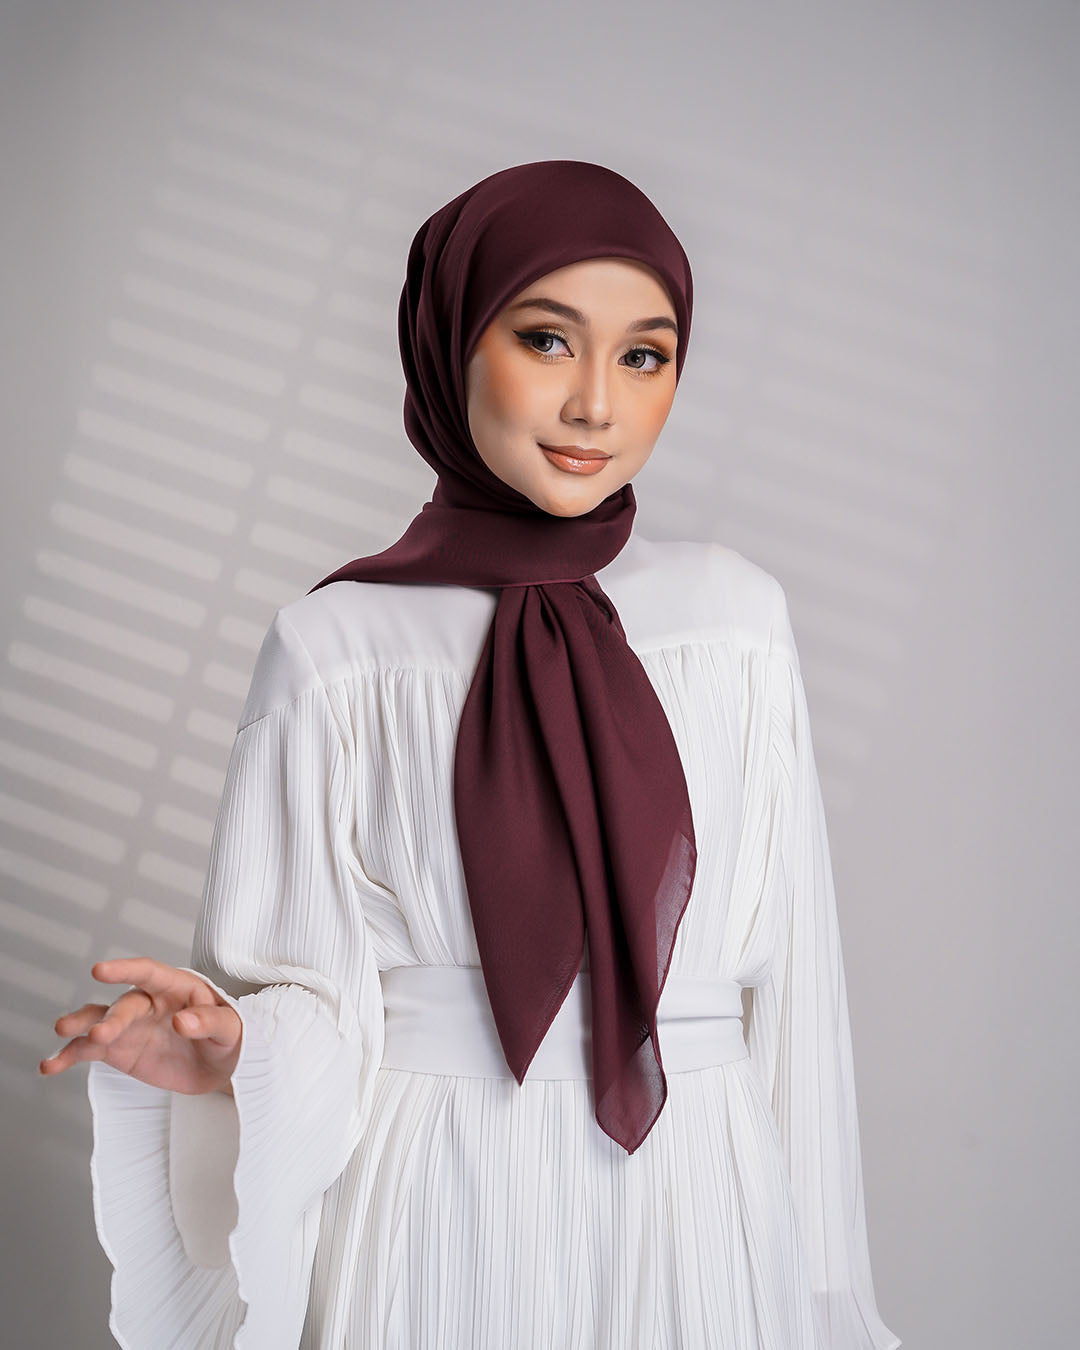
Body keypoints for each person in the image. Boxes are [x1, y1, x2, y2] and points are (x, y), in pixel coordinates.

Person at [41, 160, 901, 1349]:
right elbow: (313, 992)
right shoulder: (336, 649)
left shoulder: (738, 624)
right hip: (440, 1187)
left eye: (644, 356)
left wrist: (818, 1287)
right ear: (452, 344)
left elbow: (797, 987)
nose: (595, 404)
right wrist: (240, 1050)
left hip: (700, 1184)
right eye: (547, 340)